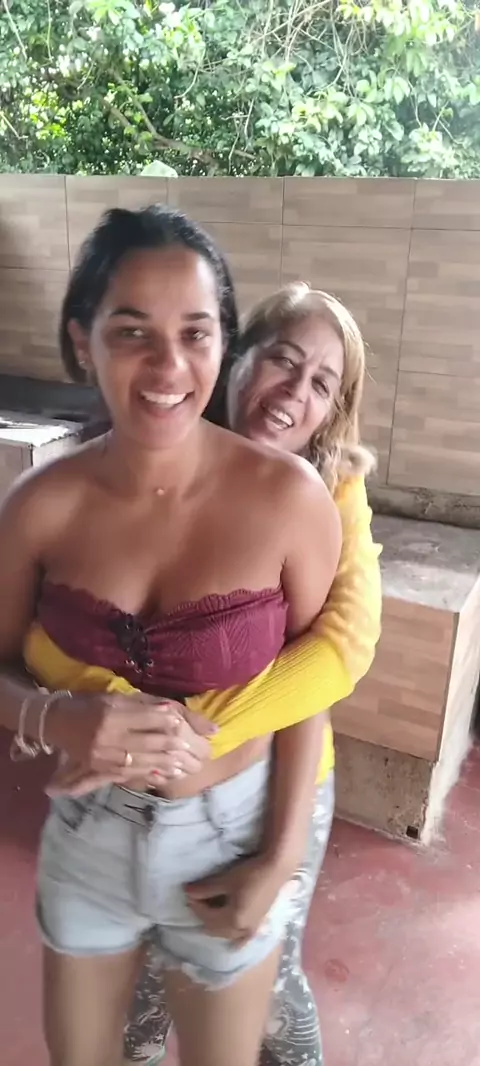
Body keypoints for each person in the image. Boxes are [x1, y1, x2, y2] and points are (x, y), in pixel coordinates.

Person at [0, 206, 342, 1066]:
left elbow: (311, 688)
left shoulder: (290, 499)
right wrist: (55, 717)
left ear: (223, 342)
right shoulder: (39, 507)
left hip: (235, 837)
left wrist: (281, 859)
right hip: (90, 838)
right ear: (82, 343)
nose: (167, 366)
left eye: (195, 333)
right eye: (131, 332)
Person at [122, 282, 382, 1066]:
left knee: (262, 980)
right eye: (283, 360)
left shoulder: (331, 490)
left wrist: (193, 737)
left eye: (322, 383)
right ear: (237, 354)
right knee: (140, 980)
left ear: (333, 410)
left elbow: (336, 650)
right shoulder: (157, 459)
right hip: (147, 787)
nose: (295, 392)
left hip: (273, 781)